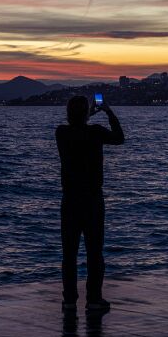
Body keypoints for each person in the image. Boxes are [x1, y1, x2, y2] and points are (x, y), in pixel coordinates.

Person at [55, 95, 124, 313]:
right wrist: (108, 111)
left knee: (69, 254)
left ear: (68, 113)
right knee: (94, 252)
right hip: (93, 200)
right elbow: (119, 138)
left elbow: (76, 127)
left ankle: (69, 300)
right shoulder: (96, 132)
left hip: (70, 200)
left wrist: (87, 115)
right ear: (86, 113)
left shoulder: (61, 133)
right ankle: (94, 299)